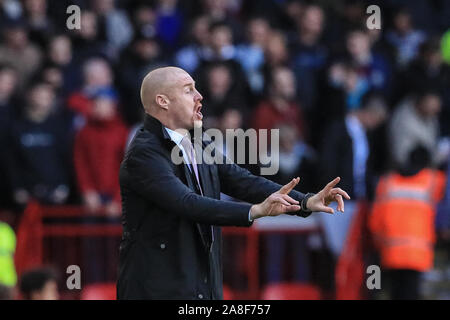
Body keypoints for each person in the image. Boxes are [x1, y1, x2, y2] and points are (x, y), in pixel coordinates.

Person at [117, 66, 350, 300]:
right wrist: (254, 211)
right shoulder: (143, 153)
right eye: (189, 90)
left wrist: (306, 201)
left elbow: (241, 180)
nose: (200, 96)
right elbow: (187, 203)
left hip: (199, 288)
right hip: (155, 291)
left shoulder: (198, 140)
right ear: (163, 101)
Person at [369, 146, 446, 299]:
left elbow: (374, 221)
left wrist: (378, 245)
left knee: (389, 291)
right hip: (417, 253)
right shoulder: (433, 180)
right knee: (410, 292)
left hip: (389, 252)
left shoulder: (386, 182)